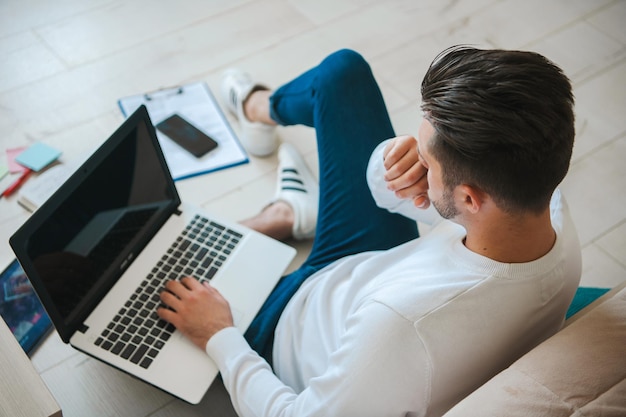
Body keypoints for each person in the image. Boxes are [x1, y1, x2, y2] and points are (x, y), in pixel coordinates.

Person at [157, 47, 582, 416]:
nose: (419, 158)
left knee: (158, 271)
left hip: (284, 328)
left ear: (470, 199)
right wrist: (397, 166)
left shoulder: (403, 328)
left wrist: (220, 336)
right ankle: (261, 118)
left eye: (427, 163)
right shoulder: (544, 209)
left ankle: (282, 216)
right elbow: (398, 198)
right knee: (344, 74)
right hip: (364, 271)